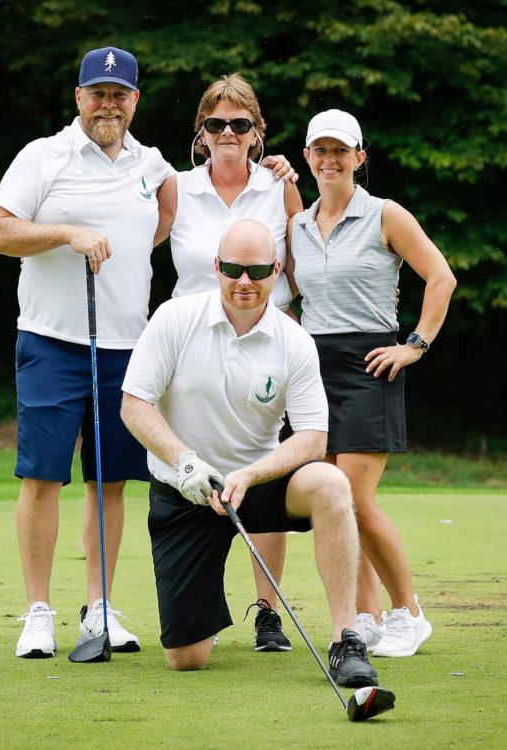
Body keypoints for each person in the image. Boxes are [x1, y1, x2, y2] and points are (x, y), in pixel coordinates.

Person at [120, 219, 379, 687]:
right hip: (186, 489)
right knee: (187, 658)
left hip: (256, 483)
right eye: (234, 268)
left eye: (258, 270)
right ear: (216, 267)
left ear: (276, 271)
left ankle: (347, 637)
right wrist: (186, 461)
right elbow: (134, 405)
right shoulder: (175, 318)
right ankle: (203, 614)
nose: (245, 281)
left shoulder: (293, 340)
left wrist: (250, 475)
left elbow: (313, 437)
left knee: (332, 483)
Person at [0, 46, 175, 659]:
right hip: (51, 340)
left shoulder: (153, 166)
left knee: (110, 481)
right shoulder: (44, 156)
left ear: (135, 100)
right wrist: (67, 233)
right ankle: (39, 611)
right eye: (97, 93)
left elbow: (165, 221)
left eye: (119, 95)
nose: (107, 105)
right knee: (42, 477)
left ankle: (101, 608)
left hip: (128, 346)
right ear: (79, 97)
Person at [288, 109, 457, 657]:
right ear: (309, 157)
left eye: (342, 150)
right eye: (321, 150)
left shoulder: (386, 214)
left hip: (370, 364)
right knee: (333, 505)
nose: (330, 159)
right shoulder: (299, 224)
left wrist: (415, 345)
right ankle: (367, 617)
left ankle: (410, 614)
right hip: (313, 370)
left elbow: (441, 276)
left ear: (360, 158)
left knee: (357, 500)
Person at [153, 73, 304, 652]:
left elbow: (299, 270)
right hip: (189, 346)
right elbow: (144, 245)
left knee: (265, 468)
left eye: (240, 125)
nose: (227, 134)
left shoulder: (278, 187)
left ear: (257, 133)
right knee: (191, 470)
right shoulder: (176, 187)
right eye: (215, 124)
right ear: (201, 132)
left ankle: (268, 612)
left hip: (265, 344)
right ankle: (195, 602)